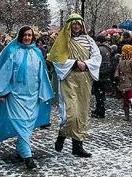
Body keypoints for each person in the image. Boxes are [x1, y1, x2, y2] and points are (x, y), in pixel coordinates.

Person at [0, 26, 54, 170]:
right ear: (20, 36)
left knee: (28, 125)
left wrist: (44, 93)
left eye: (30, 35)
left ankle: (20, 148)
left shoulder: (37, 53)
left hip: (33, 96)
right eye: (25, 35)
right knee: (21, 123)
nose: (27, 37)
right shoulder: (14, 52)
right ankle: (27, 156)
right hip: (16, 96)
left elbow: (42, 74)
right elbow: (6, 73)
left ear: (33, 37)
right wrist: (1, 92)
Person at [47, 13, 101, 157]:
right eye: (73, 23)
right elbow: (57, 60)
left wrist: (86, 64)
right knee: (71, 114)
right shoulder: (63, 41)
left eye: (78, 23)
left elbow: (97, 57)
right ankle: (62, 135)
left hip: (84, 79)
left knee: (82, 113)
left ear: (82, 25)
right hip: (68, 79)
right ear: (69, 25)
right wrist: (74, 63)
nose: (76, 26)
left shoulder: (89, 40)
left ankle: (77, 146)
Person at [115, 44, 132, 122]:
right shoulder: (121, 59)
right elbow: (118, 68)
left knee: (131, 98)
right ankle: (127, 115)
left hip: (130, 81)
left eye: (124, 51)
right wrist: (116, 76)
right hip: (122, 81)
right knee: (125, 99)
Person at [91, 35, 112, 119]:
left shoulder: (99, 49)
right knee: (101, 93)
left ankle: (100, 110)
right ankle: (100, 109)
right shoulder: (107, 48)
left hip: (100, 73)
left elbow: (96, 61)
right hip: (105, 73)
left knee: (98, 93)